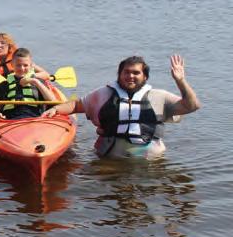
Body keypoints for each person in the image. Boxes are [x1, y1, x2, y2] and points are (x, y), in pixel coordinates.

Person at [42, 55, 200, 159]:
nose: (130, 76)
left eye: (136, 73)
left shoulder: (159, 97)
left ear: (145, 76)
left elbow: (192, 106)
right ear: (119, 74)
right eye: (126, 72)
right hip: (110, 157)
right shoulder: (103, 94)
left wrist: (180, 81)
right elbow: (76, 105)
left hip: (150, 160)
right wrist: (55, 109)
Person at [0, 10, 50, 80]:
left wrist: (30, 76)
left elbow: (46, 75)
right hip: (2, 92)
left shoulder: (20, 60)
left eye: (3, 43)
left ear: (9, 46)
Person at [0, 48, 57, 120]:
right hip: (10, 119)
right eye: (18, 65)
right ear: (12, 64)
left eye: (25, 65)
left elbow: (53, 102)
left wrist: (35, 81)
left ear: (31, 66)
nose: (22, 68)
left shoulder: (38, 82)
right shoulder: (5, 84)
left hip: (34, 118)